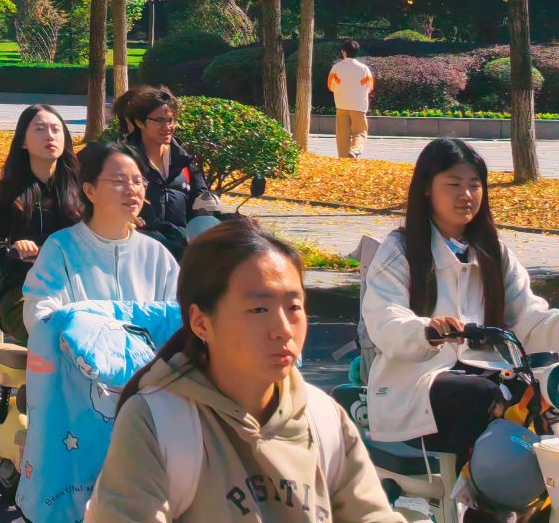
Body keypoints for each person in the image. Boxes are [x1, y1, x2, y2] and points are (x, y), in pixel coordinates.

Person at [88, 220, 397, 523]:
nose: (283, 329)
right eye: (259, 309)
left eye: (294, 307)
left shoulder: (324, 419)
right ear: (201, 323)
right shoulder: (159, 421)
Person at [360, 136, 559, 454]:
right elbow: (385, 319)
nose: (466, 195)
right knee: (482, 395)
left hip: (489, 375)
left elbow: (529, 320)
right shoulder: (401, 250)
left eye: (474, 185)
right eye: (454, 184)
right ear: (427, 188)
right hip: (419, 383)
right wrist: (427, 331)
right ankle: (474, 485)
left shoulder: (495, 254)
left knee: (546, 388)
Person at [23, 140, 180, 338]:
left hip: (148, 357)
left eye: (138, 181)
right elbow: (40, 312)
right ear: (90, 191)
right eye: (119, 181)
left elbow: (177, 315)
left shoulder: (155, 254)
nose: (132, 190)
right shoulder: (61, 248)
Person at [0, 103, 81, 344]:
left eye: (56, 129)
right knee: (55, 336)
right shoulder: (8, 190)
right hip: (22, 289)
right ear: (23, 142)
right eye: (39, 129)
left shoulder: (84, 188)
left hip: (75, 288)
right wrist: (12, 251)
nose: (50, 135)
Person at [115, 85, 220, 254]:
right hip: (141, 249)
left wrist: (206, 213)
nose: (167, 127)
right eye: (159, 121)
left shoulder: (184, 160)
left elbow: (201, 199)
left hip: (183, 251)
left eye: (170, 120)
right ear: (139, 122)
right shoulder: (122, 160)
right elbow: (107, 201)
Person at [327, 41, 374, 159]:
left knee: (342, 136)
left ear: (344, 52)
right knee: (360, 132)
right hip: (358, 105)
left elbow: (331, 86)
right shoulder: (364, 68)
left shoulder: (336, 67)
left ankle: (344, 160)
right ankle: (355, 150)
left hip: (341, 104)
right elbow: (370, 86)